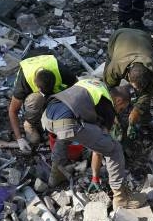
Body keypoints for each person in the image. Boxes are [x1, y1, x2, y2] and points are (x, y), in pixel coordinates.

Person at [41, 80, 147, 208]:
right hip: (66, 123)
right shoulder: (108, 107)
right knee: (114, 148)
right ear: (118, 100)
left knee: (65, 134)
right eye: (122, 108)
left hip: (47, 116)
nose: (120, 111)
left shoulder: (96, 84)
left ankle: (55, 175)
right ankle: (120, 199)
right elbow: (99, 148)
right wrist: (95, 177)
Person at [9, 53, 78, 154]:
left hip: (53, 90)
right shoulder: (24, 81)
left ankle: (52, 113)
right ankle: (29, 123)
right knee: (36, 99)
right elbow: (13, 111)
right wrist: (19, 139)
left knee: (68, 93)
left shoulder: (61, 71)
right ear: (37, 85)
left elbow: (78, 86)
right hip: (33, 99)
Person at [103, 27, 153, 138]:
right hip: (118, 37)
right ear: (128, 74)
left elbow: (147, 94)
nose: (136, 90)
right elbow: (109, 88)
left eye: (139, 88)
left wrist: (137, 110)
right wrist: (113, 110)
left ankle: (145, 121)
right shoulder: (116, 67)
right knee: (111, 96)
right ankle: (115, 117)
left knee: (143, 100)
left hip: (143, 36)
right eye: (134, 87)